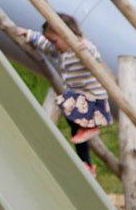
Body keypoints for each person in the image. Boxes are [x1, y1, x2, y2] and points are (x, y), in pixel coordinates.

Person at [14, 15, 112, 171]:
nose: (55, 46)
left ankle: (90, 126)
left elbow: (94, 55)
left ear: (67, 35)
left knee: (67, 104)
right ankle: (86, 164)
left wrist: (85, 46)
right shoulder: (63, 51)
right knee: (76, 132)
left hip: (93, 98)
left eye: (55, 41)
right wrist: (28, 34)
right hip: (81, 99)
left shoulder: (80, 48)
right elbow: (45, 45)